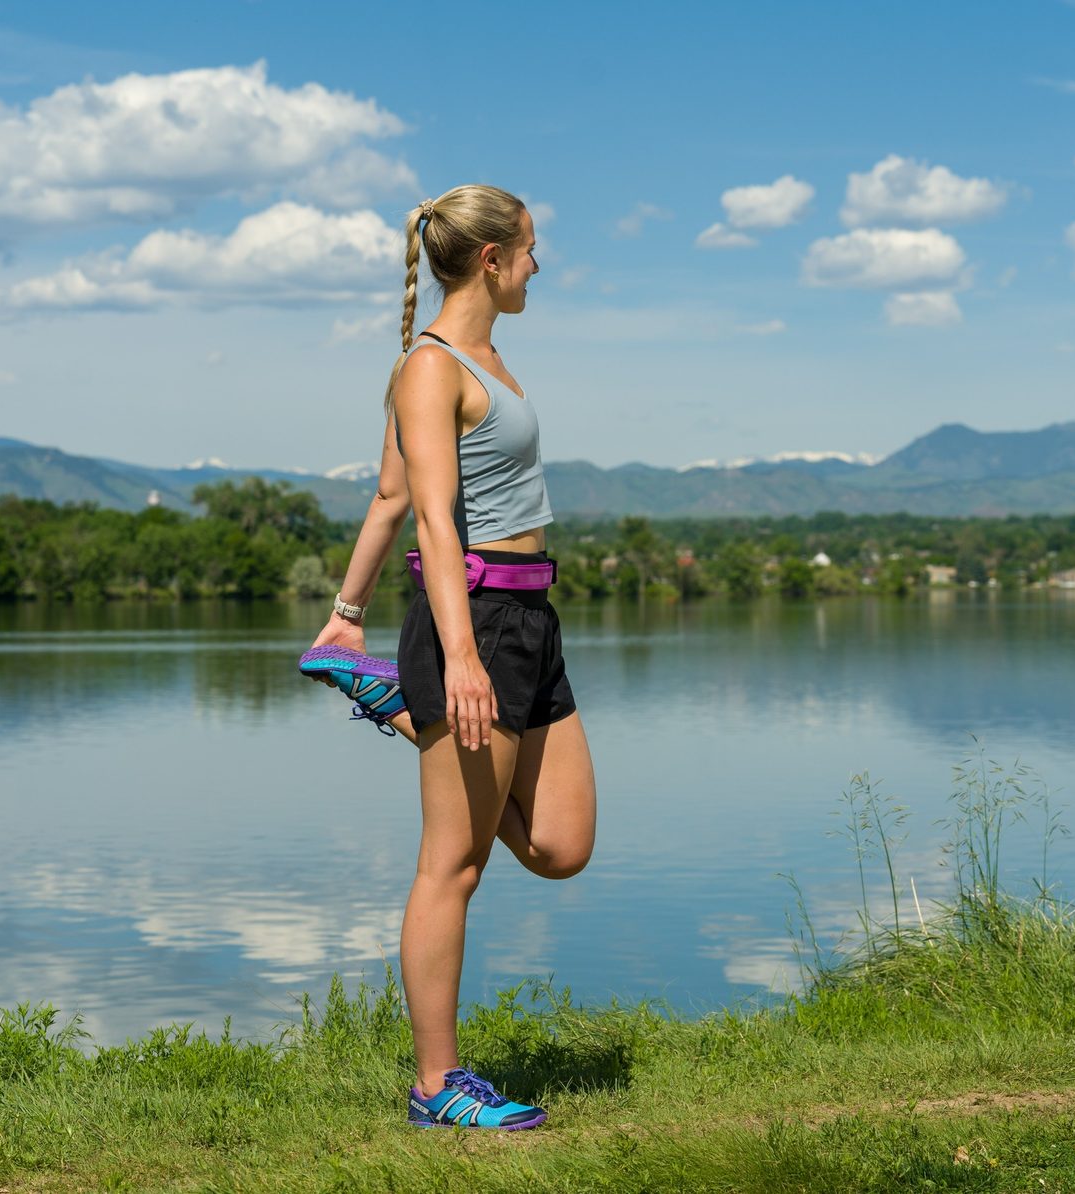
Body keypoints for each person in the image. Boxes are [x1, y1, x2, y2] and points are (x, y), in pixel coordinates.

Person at [307, 184, 596, 1129]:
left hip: (530, 623)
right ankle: (437, 1086)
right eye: (531, 248)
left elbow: (386, 496)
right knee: (454, 865)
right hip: (470, 623)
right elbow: (430, 519)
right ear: (491, 259)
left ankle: (400, 705)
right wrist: (460, 662)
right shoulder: (429, 371)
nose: (537, 263)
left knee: (560, 846)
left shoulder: (487, 358)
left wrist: (343, 616)